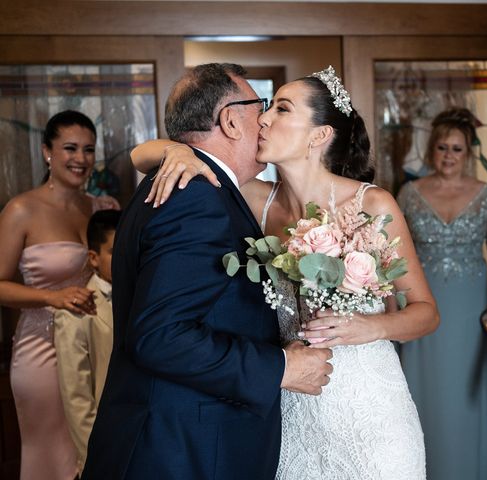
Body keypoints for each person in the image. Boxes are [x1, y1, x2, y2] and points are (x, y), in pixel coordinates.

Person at [132, 64, 440, 478]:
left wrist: (372, 327)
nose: (263, 118)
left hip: (369, 407)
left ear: (319, 135)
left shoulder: (372, 204)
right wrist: (178, 151)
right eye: (267, 107)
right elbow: (139, 155)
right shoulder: (254, 200)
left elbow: (425, 312)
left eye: (281, 109)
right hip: (293, 404)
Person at [83, 63, 333, 480]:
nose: (267, 119)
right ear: (232, 121)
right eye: (262, 107)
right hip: (180, 451)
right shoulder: (196, 197)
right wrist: (281, 368)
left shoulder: (186, 183)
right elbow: (161, 335)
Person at [0, 110, 119, 480]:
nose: (80, 159)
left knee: (97, 443)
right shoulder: (22, 210)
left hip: (97, 342)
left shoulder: (104, 208)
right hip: (42, 349)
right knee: (51, 453)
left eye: (88, 149)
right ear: (47, 152)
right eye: (70, 148)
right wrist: (53, 298)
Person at [396, 107, 487, 480]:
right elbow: (394, 255)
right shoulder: (409, 194)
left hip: (470, 310)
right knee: (422, 389)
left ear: (468, 153)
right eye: (443, 147)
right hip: (421, 303)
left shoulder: (485, 194)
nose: (449, 156)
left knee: (467, 393)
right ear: (432, 150)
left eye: (457, 149)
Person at [53, 209, 121, 475]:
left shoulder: (145, 297)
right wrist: (96, 456)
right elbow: (77, 398)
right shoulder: (74, 313)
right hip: (103, 447)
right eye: (115, 251)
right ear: (93, 258)